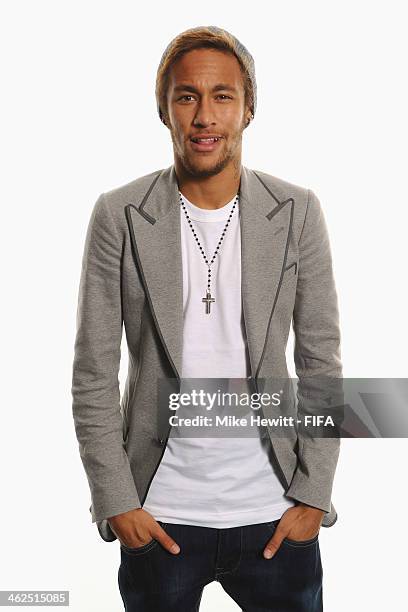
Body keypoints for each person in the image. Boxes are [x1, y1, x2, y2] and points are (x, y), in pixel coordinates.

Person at [71, 25, 342, 612]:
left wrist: (313, 496)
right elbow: (93, 372)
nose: (204, 116)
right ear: (164, 109)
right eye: (186, 96)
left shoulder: (297, 211)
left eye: (222, 96)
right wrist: (117, 501)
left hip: (276, 518)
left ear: (248, 109)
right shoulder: (119, 215)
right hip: (160, 517)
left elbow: (321, 364)